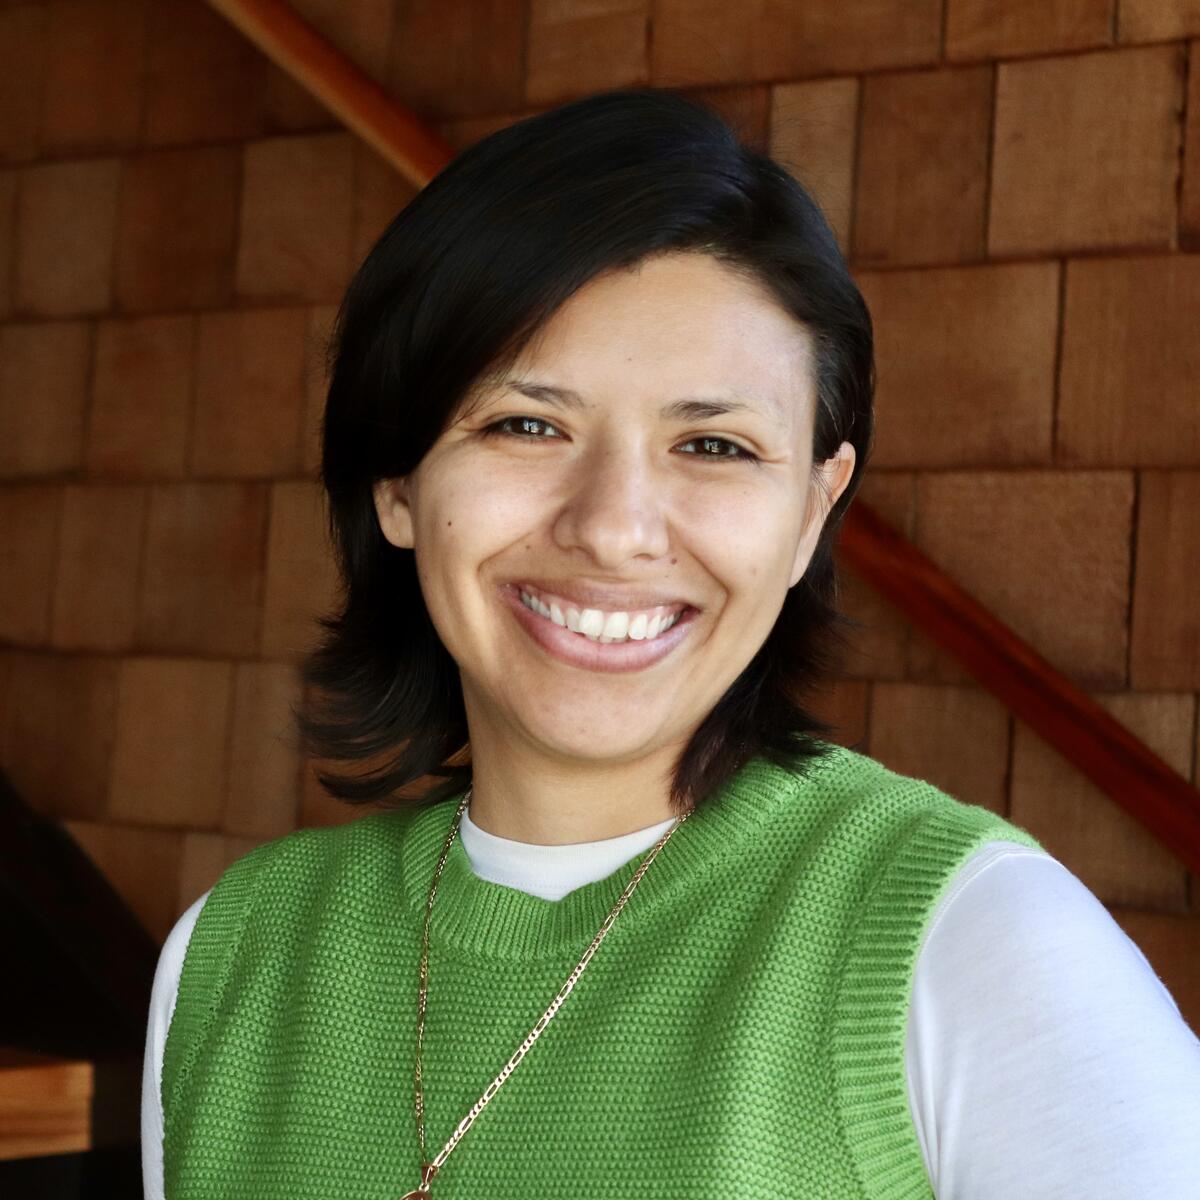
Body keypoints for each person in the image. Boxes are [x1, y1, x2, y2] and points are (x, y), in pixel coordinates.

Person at [141, 87, 1200, 1199]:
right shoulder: (233, 954)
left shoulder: (979, 946)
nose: (611, 527)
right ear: (399, 483)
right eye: (526, 424)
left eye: (713, 444)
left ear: (812, 509)